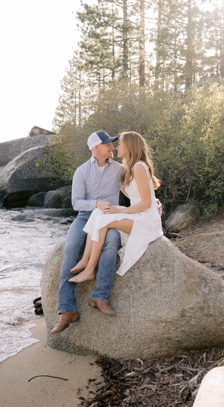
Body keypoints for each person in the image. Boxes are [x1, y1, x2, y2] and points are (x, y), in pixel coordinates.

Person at [50, 130, 125, 335]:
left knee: (111, 244)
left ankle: (100, 296)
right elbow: (76, 203)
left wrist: (152, 201)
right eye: (108, 144)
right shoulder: (81, 172)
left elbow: (133, 189)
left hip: (109, 218)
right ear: (96, 148)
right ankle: (67, 310)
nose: (111, 147)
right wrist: (96, 204)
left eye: (112, 144)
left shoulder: (119, 169)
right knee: (71, 248)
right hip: (85, 217)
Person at [68, 131, 163, 285]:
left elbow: (145, 203)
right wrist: (153, 199)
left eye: (119, 144)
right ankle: (85, 261)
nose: (115, 147)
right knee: (100, 212)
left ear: (129, 147)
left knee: (103, 221)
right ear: (97, 147)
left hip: (146, 219)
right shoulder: (129, 168)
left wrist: (120, 210)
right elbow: (136, 194)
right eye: (113, 144)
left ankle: (90, 270)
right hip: (139, 214)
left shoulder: (138, 167)